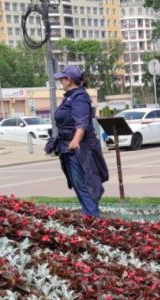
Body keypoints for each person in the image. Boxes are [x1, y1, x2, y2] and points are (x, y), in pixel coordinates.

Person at [52, 65, 108, 217]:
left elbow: (82, 122)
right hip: (68, 147)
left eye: (62, 79)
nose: (60, 82)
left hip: (80, 148)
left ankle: (93, 219)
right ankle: (89, 216)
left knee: (85, 184)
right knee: (78, 184)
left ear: (69, 80)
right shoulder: (70, 96)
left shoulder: (80, 97)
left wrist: (75, 140)